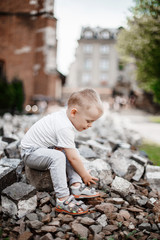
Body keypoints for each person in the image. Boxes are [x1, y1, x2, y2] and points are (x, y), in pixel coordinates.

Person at [21, 88, 104, 215]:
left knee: (69, 151)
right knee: (60, 156)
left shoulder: (64, 117)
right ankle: (62, 198)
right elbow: (73, 159)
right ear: (74, 113)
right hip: (30, 153)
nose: (90, 125)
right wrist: (84, 175)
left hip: (43, 149)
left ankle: (76, 186)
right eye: (88, 121)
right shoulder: (64, 127)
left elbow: (72, 155)